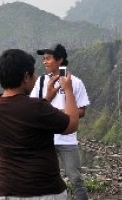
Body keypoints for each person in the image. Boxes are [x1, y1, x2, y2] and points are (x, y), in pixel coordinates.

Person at [0, 49, 79, 200]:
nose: (36, 77)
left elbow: (26, 115)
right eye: (33, 73)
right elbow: (71, 125)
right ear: (25, 77)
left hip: (6, 190)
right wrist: (68, 90)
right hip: (43, 191)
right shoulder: (36, 107)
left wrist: (46, 99)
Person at [30, 44, 90, 200]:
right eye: (43, 59)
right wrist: (60, 113)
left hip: (67, 139)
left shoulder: (75, 82)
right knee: (44, 178)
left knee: (75, 178)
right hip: (45, 139)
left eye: (48, 58)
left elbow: (82, 111)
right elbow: (33, 107)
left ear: (60, 60)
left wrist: (59, 113)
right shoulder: (41, 82)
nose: (44, 62)